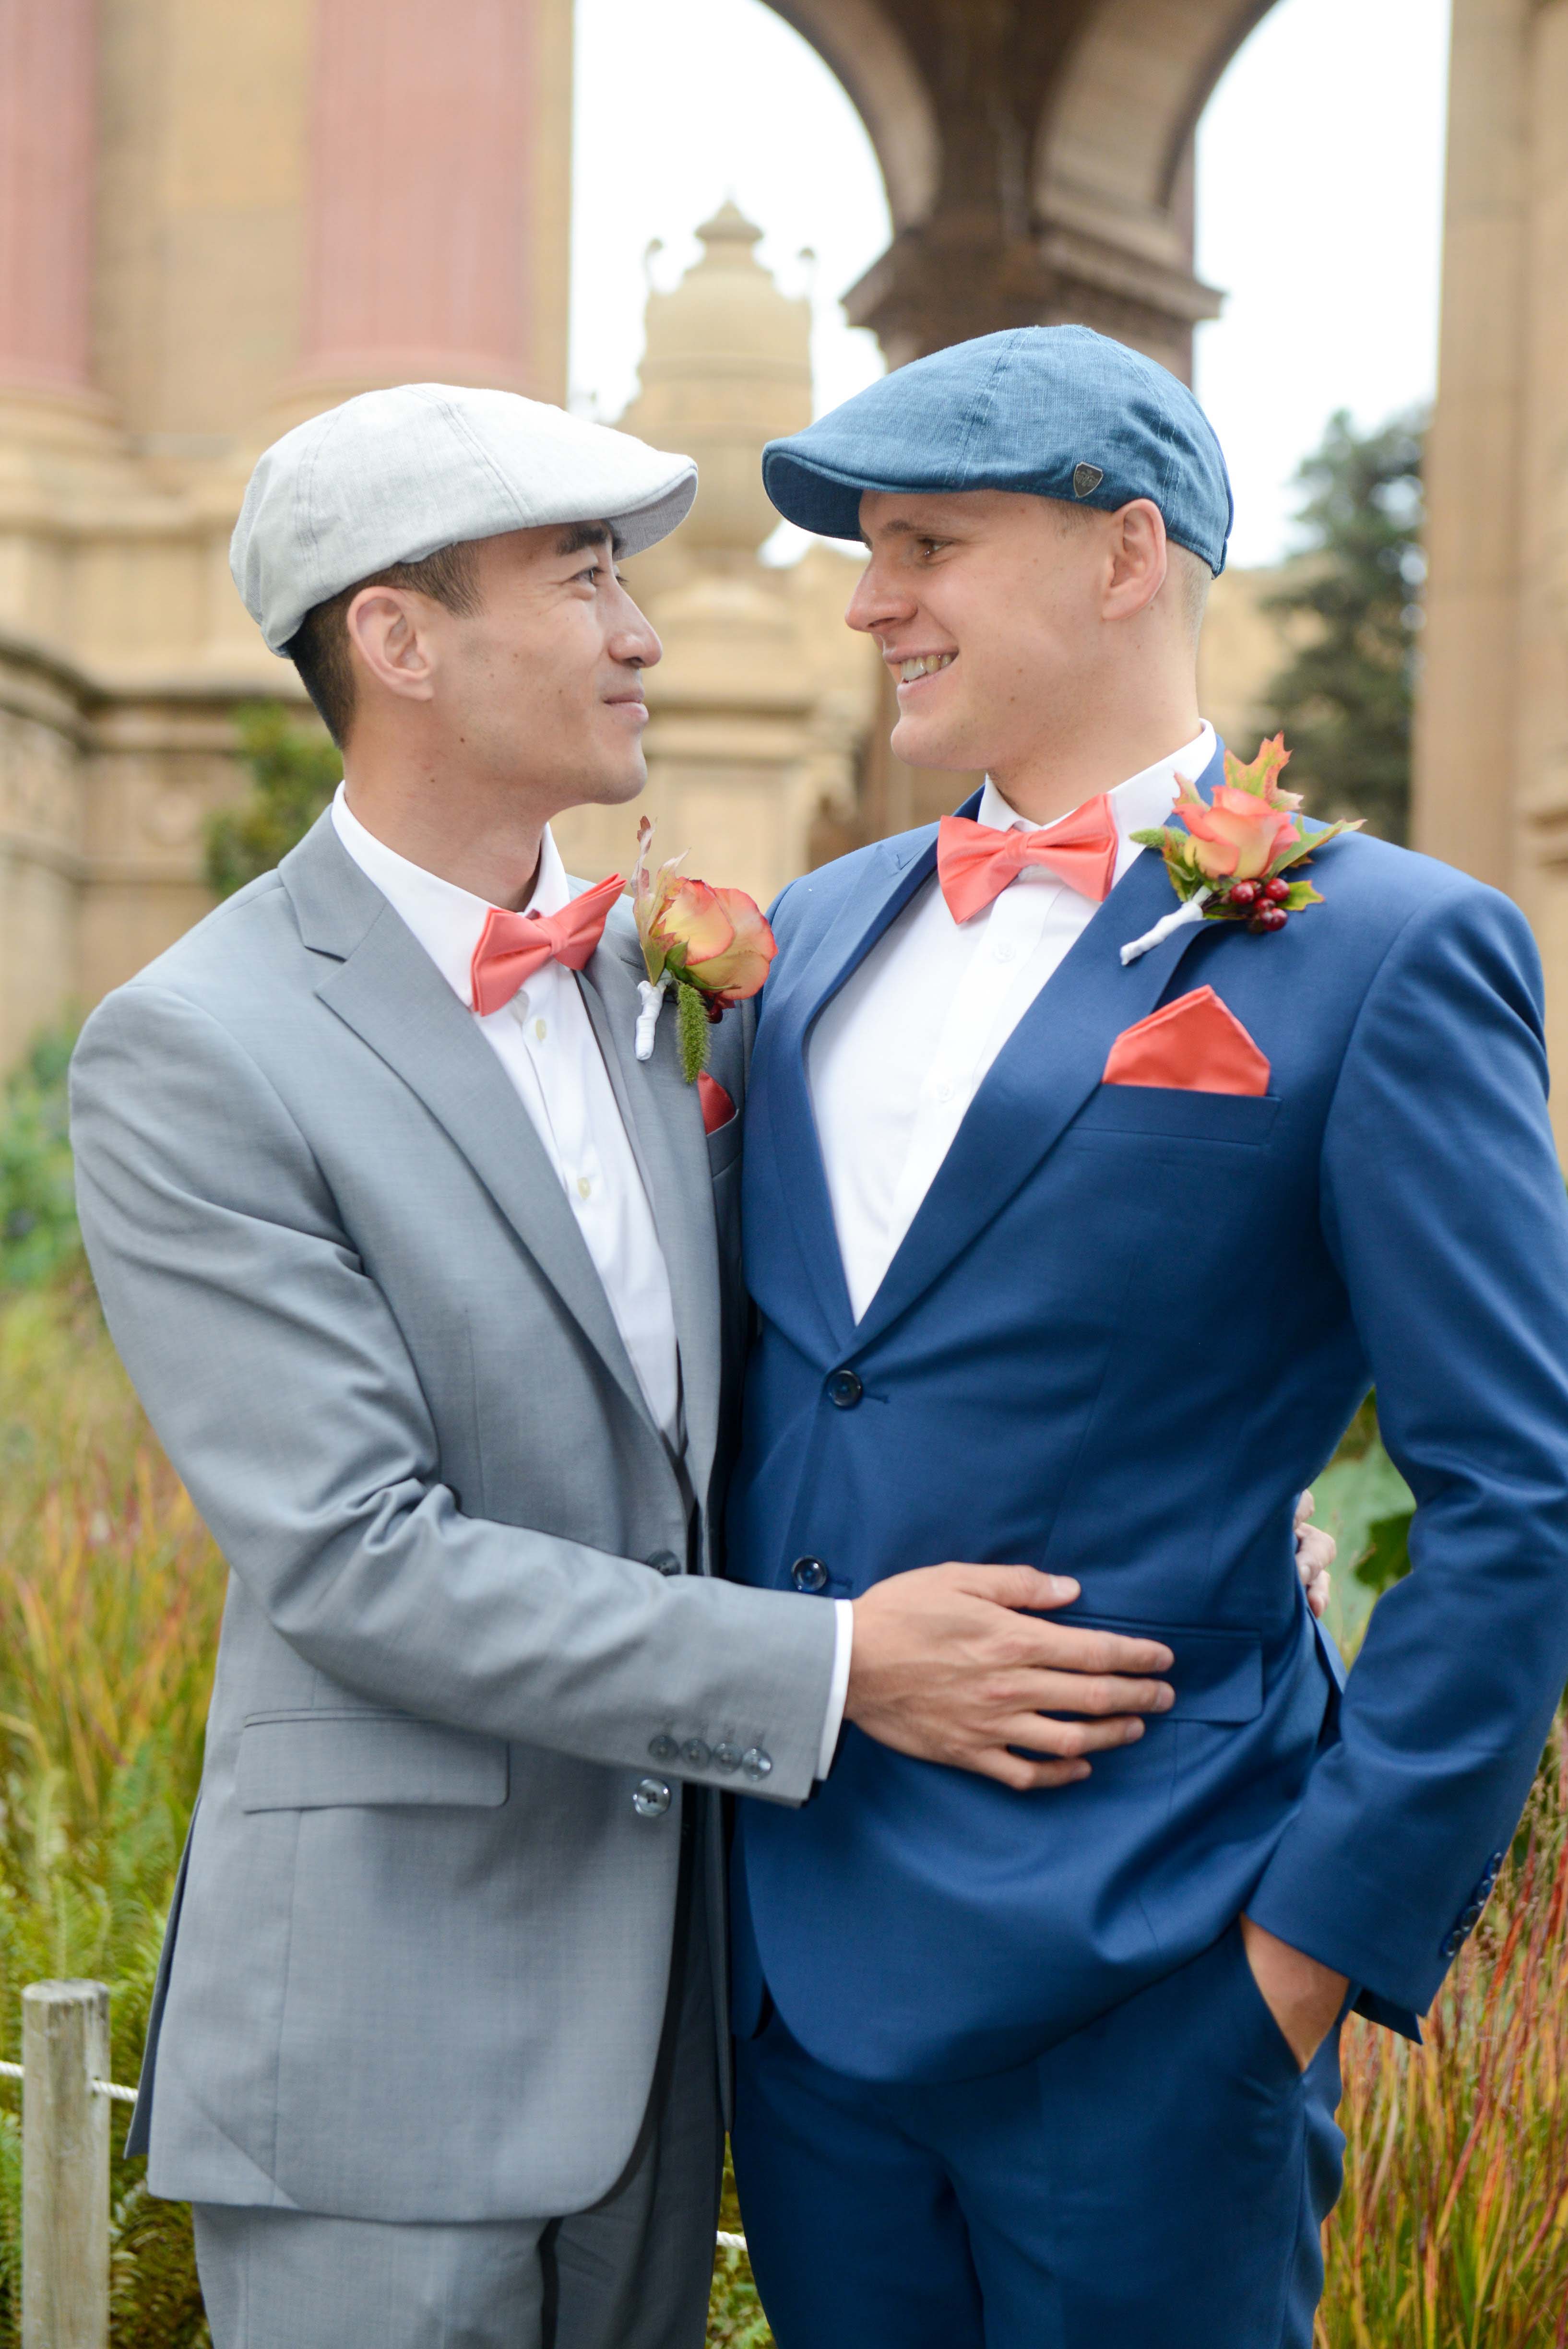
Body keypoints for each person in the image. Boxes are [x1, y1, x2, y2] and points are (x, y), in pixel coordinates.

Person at [67, 383, 1184, 2349]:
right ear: (397, 642)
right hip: (376, 2062)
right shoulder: (199, 1047)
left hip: (673, 2043)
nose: (643, 631)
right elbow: (357, 1558)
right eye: (583, 578)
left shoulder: (656, 984)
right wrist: (837, 1672)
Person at [724, 325, 1568, 2349]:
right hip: (794, 1975)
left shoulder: (1382, 952)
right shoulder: (810, 935)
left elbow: (1512, 1496)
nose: (866, 598)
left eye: (924, 540)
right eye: (864, 546)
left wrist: (1298, 1960)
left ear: (1124, 557)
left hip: (1158, 1983)